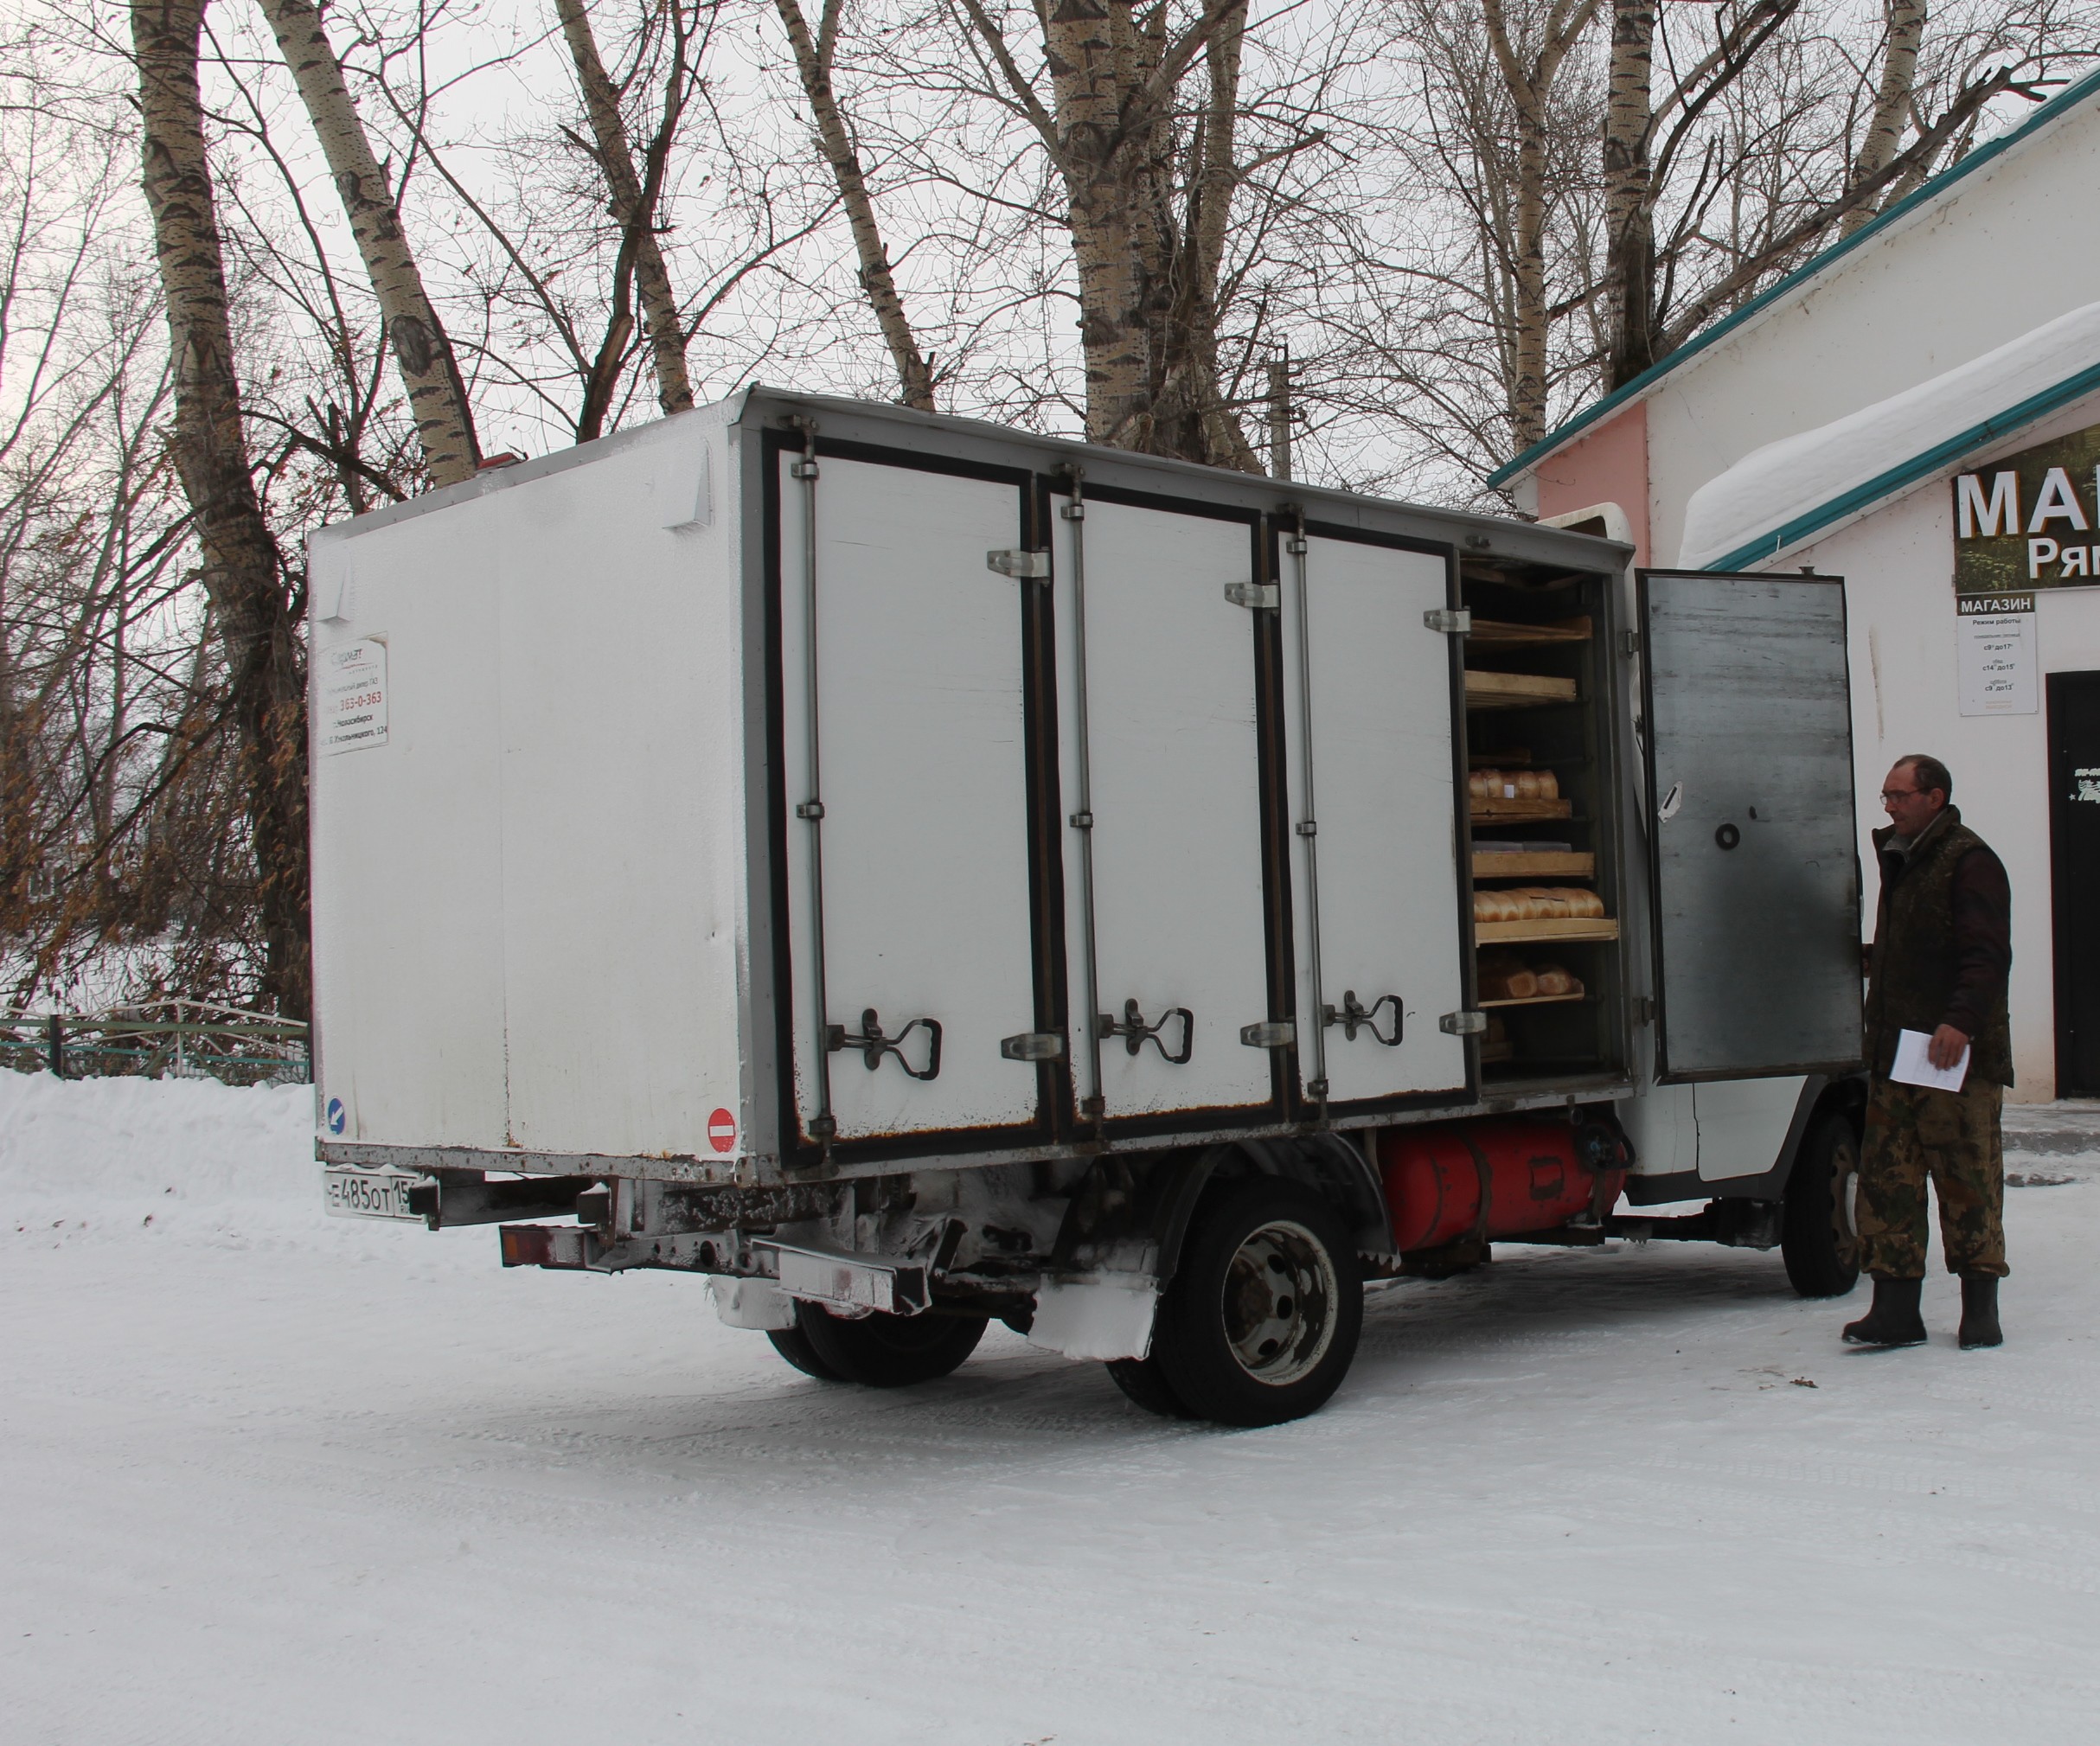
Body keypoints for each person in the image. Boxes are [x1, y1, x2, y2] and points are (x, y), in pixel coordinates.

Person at [1845, 755, 2011, 1350]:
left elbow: (1987, 954)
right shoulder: (1902, 856)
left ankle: (1980, 1312)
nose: (1889, 805)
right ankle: (1895, 1311)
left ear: (1934, 797)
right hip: (1897, 1050)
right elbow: (1919, 943)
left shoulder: (1969, 860)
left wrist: (1960, 1022)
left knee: (1968, 1179)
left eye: (1899, 795)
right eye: (1886, 796)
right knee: (1888, 1179)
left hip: (1951, 1055)